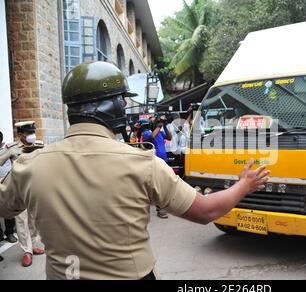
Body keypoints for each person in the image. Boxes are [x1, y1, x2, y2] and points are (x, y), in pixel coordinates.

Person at [0, 62, 270, 280]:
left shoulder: (31, 165)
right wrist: (244, 185)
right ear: (111, 106)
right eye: (122, 101)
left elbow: (5, 207)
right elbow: (206, 211)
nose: (124, 107)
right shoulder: (142, 163)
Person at [0, 122, 45, 267]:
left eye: (33, 132)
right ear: (21, 134)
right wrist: (8, 154)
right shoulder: (11, 148)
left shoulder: (39, 144)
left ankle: (32, 245)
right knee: (21, 220)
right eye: (28, 133)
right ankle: (27, 251)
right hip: (18, 189)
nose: (32, 135)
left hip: (34, 187)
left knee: (33, 219)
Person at [145, 114, 173, 219]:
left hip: (163, 161)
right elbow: (152, 137)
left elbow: (170, 137)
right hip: (155, 161)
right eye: (155, 122)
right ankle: (161, 208)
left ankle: (160, 205)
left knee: (163, 183)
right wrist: (159, 125)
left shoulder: (160, 132)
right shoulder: (147, 132)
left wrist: (164, 125)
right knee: (158, 184)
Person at [0, 131, 17, 245]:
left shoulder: (7, 149)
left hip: (7, 184)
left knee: (9, 210)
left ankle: (9, 233)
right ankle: (0, 235)